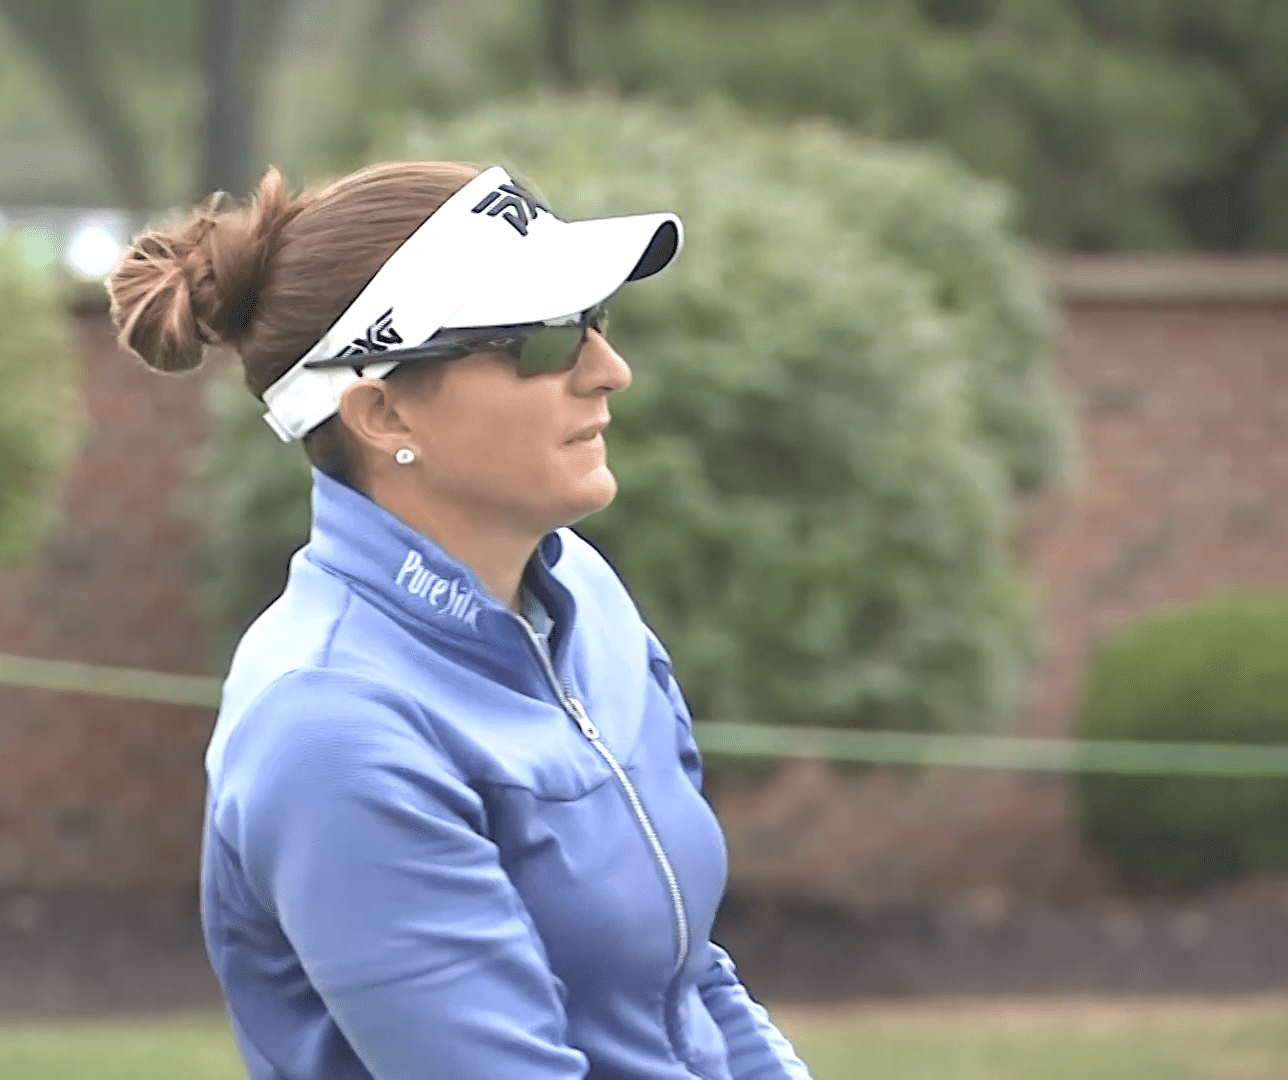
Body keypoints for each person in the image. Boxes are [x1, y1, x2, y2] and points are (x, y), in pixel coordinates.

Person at [105, 161, 811, 1080]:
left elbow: (684, 982)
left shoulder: (584, 595)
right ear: (382, 408)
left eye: (597, 321)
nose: (608, 370)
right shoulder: (331, 726)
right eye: (544, 338)